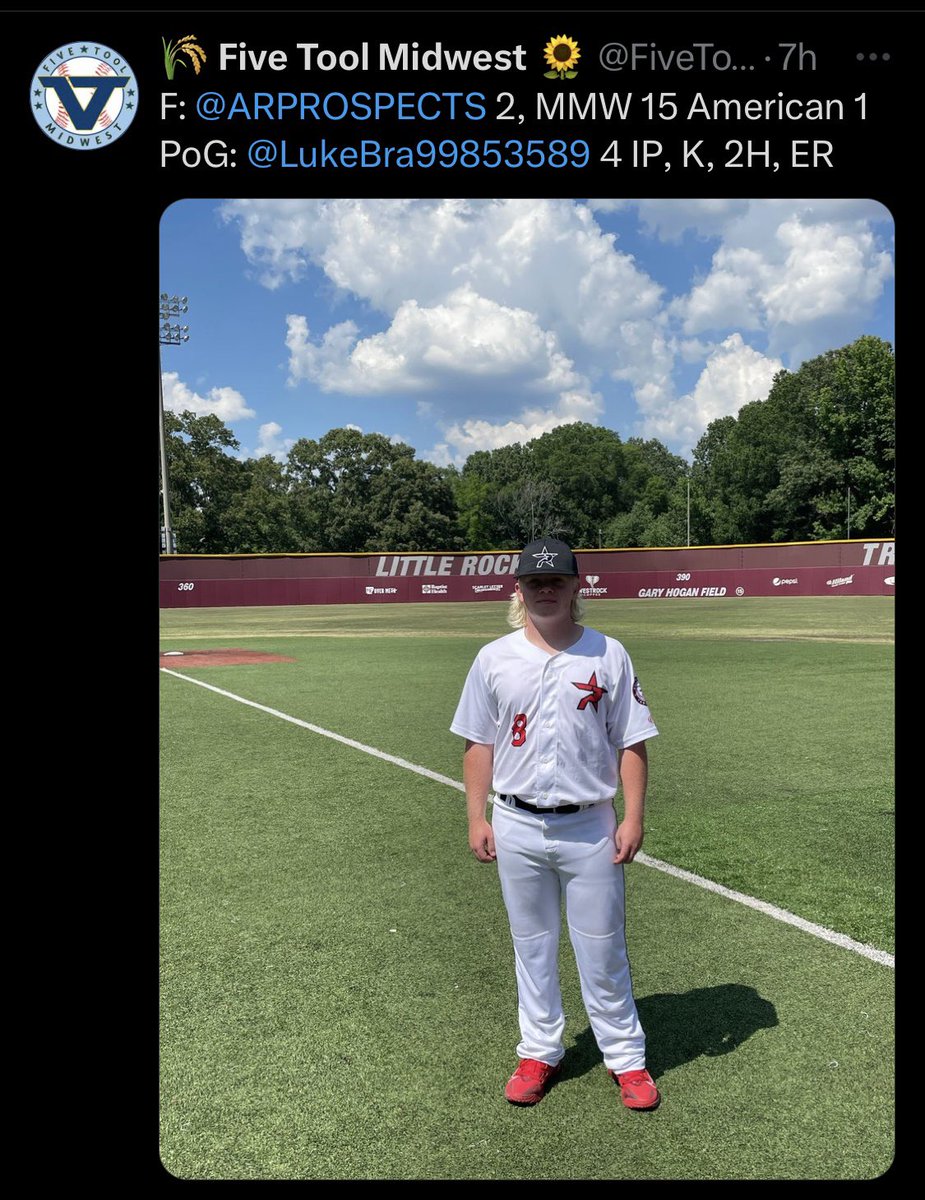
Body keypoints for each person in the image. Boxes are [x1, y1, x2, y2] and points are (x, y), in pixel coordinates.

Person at [450, 537, 660, 1111]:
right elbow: (478, 742)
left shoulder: (607, 653)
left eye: (557, 580)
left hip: (590, 826)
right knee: (532, 944)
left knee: (602, 946)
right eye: (534, 581)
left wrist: (633, 816)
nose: (546, 589)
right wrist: (477, 816)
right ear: (517, 588)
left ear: (576, 587)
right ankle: (540, 1049)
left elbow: (633, 740)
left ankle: (626, 1057)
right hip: (515, 821)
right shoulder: (493, 657)